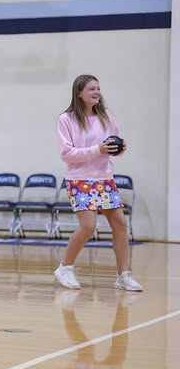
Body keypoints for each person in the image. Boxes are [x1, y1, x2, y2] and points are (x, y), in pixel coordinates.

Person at [54, 74, 143, 291]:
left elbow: (113, 145)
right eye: (91, 89)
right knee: (88, 226)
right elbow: (67, 154)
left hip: (104, 178)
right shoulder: (66, 119)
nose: (97, 92)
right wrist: (98, 149)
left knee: (120, 224)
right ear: (79, 93)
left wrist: (120, 148)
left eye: (98, 88)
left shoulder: (106, 116)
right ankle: (65, 267)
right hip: (79, 180)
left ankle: (123, 276)